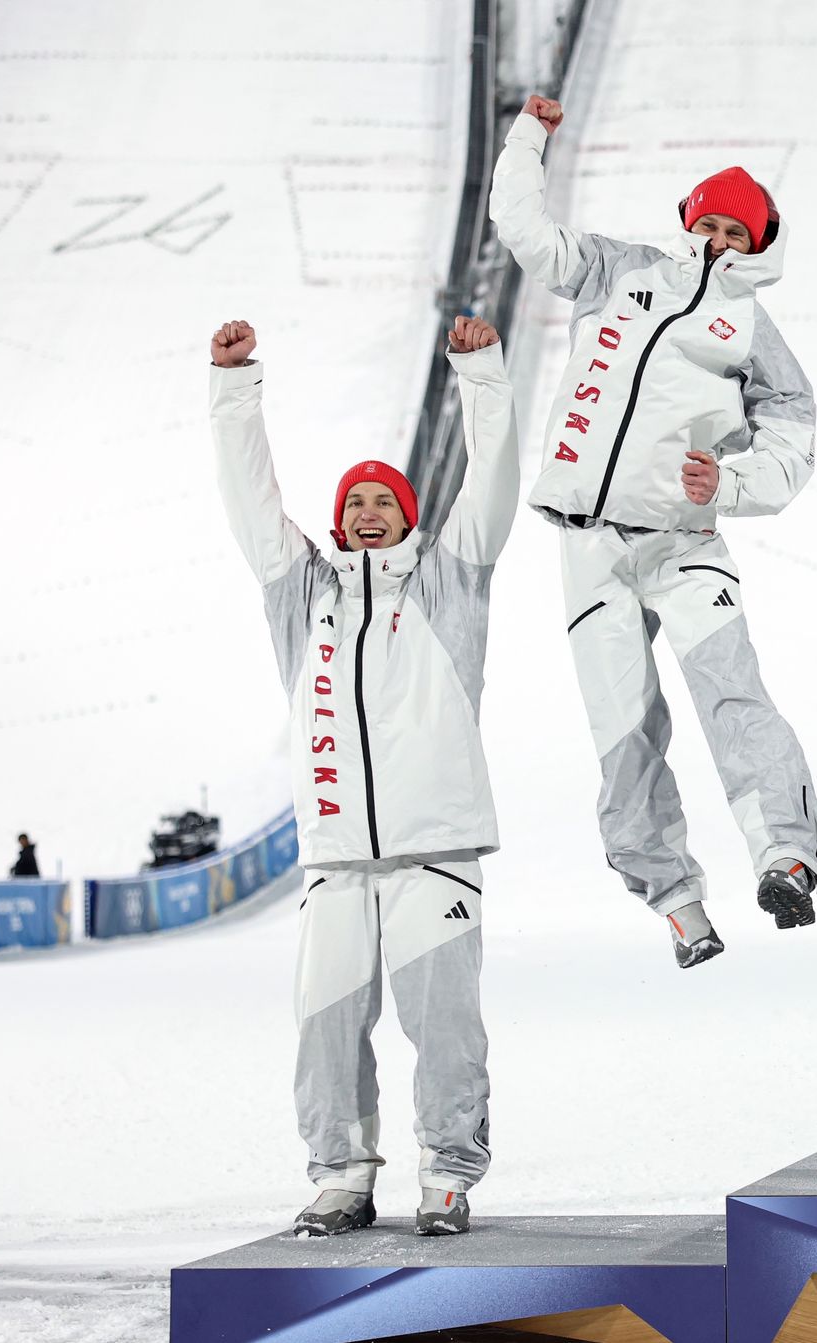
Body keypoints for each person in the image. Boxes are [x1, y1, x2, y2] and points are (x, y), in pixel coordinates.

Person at [489, 92, 817, 966]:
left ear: (759, 244)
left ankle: (784, 855)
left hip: (683, 543)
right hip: (589, 545)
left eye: (737, 233)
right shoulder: (614, 269)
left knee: (733, 696)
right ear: (687, 220)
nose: (719, 240)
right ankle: (676, 901)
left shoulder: (752, 328)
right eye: (709, 222)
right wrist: (531, 135)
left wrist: (732, 483)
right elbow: (523, 231)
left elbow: (793, 437)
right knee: (623, 731)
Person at [209, 315, 519, 1238]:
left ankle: (448, 1177)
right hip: (337, 858)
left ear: (410, 516)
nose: (368, 511)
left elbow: (492, 477)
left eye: (385, 501)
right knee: (325, 1034)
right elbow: (250, 502)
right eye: (356, 503)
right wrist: (234, 385)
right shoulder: (302, 594)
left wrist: (482, 372)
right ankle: (342, 1176)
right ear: (338, 518)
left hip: (435, 852)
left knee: (445, 1029)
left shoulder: (449, 580)